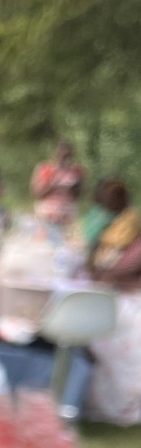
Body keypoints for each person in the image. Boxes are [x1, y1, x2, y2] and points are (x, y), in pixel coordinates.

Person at [84, 179, 141, 424]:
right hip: (118, 290)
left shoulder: (131, 226)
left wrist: (103, 275)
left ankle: (114, 400)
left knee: (111, 326)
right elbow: (101, 263)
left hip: (130, 296)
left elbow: (127, 270)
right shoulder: (115, 224)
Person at [30, 139, 86, 225]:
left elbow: (78, 195)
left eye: (67, 156)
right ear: (55, 154)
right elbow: (37, 194)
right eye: (62, 155)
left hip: (67, 214)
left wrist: (74, 186)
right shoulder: (45, 168)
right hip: (47, 213)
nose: (64, 159)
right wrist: (53, 184)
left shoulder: (76, 170)